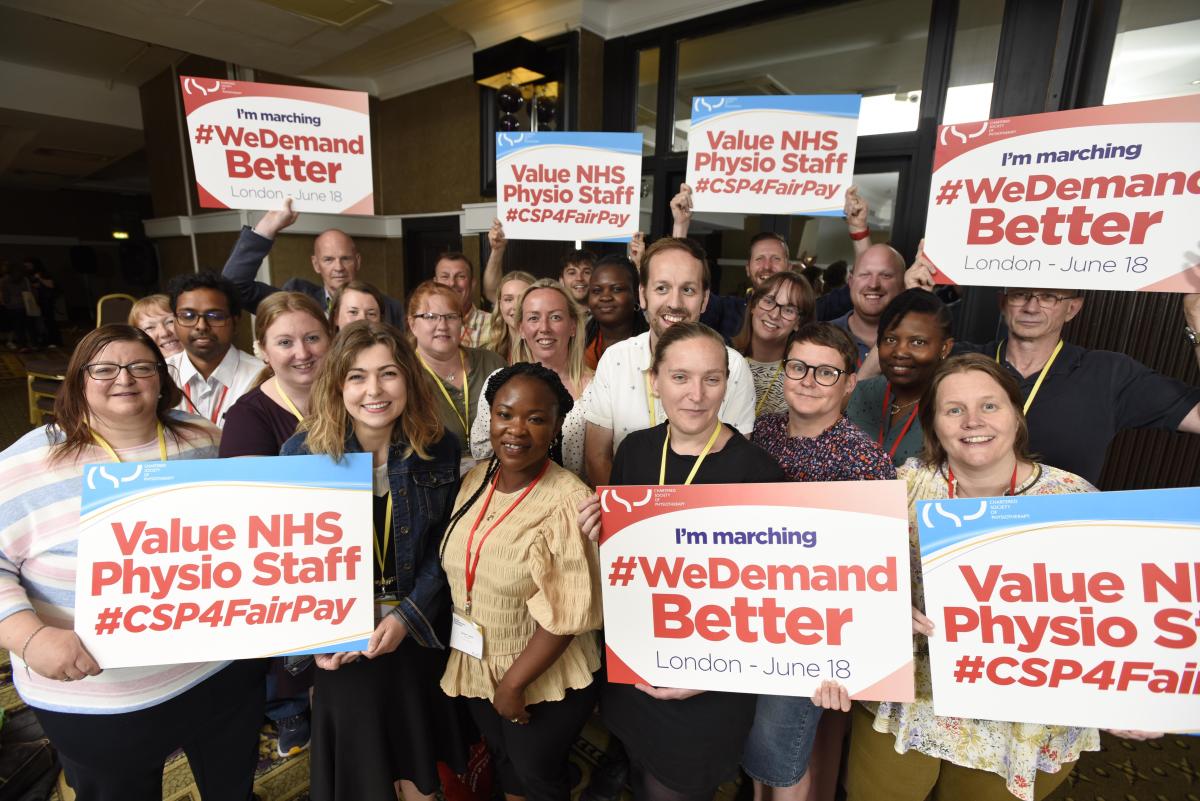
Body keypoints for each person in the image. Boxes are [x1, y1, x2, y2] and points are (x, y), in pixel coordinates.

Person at [838, 353, 1154, 801]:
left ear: (1015, 414)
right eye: (954, 409)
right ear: (934, 423)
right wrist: (878, 608)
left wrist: (1138, 693)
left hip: (1022, 717)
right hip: (913, 700)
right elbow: (845, 586)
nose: (972, 421)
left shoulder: (1073, 501)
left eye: (989, 405)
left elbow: (1125, 612)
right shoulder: (905, 488)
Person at [0, 324, 264, 801]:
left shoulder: (205, 439)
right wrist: (29, 636)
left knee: (233, 788)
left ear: (161, 379)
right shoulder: (25, 462)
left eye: (141, 367)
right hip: (101, 695)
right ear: (78, 380)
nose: (124, 378)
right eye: (103, 368)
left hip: (219, 674)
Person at [579, 322, 785, 801]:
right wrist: (599, 525)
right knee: (635, 761)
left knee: (676, 786)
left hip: (712, 680)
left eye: (711, 379)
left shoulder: (759, 474)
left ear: (727, 384)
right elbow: (627, 563)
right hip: (639, 663)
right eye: (680, 378)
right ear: (655, 380)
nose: (696, 395)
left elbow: (769, 599)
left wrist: (708, 671)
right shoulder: (635, 451)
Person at [281, 321, 467, 801]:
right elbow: (289, 564)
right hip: (343, 644)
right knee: (363, 780)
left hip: (416, 631)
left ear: (408, 377)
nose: (374, 391)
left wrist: (406, 618)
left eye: (387, 374)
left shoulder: (439, 447)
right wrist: (314, 639)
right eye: (357, 377)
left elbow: (446, 548)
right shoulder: (301, 453)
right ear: (338, 384)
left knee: (419, 777)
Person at [744, 322, 895, 801]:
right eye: (798, 367)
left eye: (826, 372)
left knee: (784, 757)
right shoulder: (757, 434)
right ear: (783, 373)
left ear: (850, 382)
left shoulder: (865, 462)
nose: (808, 380)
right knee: (755, 750)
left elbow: (876, 569)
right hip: (747, 619)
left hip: (813, 633)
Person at [441, 362, 602, 801]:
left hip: (539, 675)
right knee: (506, 763)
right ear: (489, 418)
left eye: (536, 419)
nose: (516, 429)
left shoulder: (570, 500)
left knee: (537, 774)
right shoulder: (476, 479)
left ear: (556, 428)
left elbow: (568, 614)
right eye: (505, 414)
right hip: (477, 661)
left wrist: (512, 685)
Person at [906, 251, 1200, 485]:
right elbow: (865, 385)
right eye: (1021, 293)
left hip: (1057, 543)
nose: (1031, 307)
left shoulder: (1109, 374)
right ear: (1003, 302)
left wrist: (1196, 320)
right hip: (954, 528)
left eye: (1048, 296)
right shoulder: (959, 361)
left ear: (1072, 308)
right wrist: (913, 302)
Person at [584, 237, 756, 486]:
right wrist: (623, 516)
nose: (675, 303)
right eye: (662, 288)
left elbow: (738, 465)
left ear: (705, 299)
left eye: (688, 290)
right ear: (642, 295)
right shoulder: (615, 360)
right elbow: (597, 457)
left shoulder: (734, 366)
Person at [472, 280, 593, 478]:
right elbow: (484, 458)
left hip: (578, 503)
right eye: (534, 318)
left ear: (572, 326)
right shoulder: (499, 382)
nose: (544, 327)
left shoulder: (597, 390)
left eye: (555, 317)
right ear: (521, 327)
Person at [221, 199, 406, 325]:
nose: (338, 267)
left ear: (357, 261)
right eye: (328, 260)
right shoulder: (296, 299)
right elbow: (233, 287)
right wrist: (267, 228)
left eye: (345, 259)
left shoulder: (390, 308)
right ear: (316, 264)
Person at [846, 289, 954, 466]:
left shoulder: (954, 406)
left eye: (917, 342)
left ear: (945, 348)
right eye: (890, 340)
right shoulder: (858, 394)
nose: (900, 352)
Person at [407, 280, 505, 462]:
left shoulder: (492, 363)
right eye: (430, 316)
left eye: (451, 316)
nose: (442, 325)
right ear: (413, 324)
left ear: (462, 321)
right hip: (432, 483)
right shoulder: (404, 375)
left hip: (497, 478)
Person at [165, 271, 261, 428]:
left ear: (235, 323)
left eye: (215, 316)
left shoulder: (261, 377)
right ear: (174, 322)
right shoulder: (159, 376)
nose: (201, 326)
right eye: (188, 316)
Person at [731, 272, 816, 418]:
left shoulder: (803, 379)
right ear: (753, 306)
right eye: (769, 301)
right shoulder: (724, 360)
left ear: (798, 323)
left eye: (789, 310)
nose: (775, 315)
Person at [829, 243, 906, 367]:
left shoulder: (918, 341)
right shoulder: (821, 336)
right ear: (850, 281)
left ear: (903, 285)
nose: (873, 284)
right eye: (865, 274)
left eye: (885, 275)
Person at [584, 254, 647, 370]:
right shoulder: (577, 345)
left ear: (636, 294)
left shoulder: (652, 346)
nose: (605, 297)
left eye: (617, 289)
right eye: (597, 290)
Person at [435, 252, 493, 348]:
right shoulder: (424, 324)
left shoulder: (493, 324)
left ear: (473, 284)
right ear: (435, 283)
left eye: (460, 276)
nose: (452, 283)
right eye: (445, 277)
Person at [485, 270, 536, 364]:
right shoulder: (488, 352)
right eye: (508, 299)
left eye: (523, 298)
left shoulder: (546, 350)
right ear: (500, 305)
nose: (516, 306)